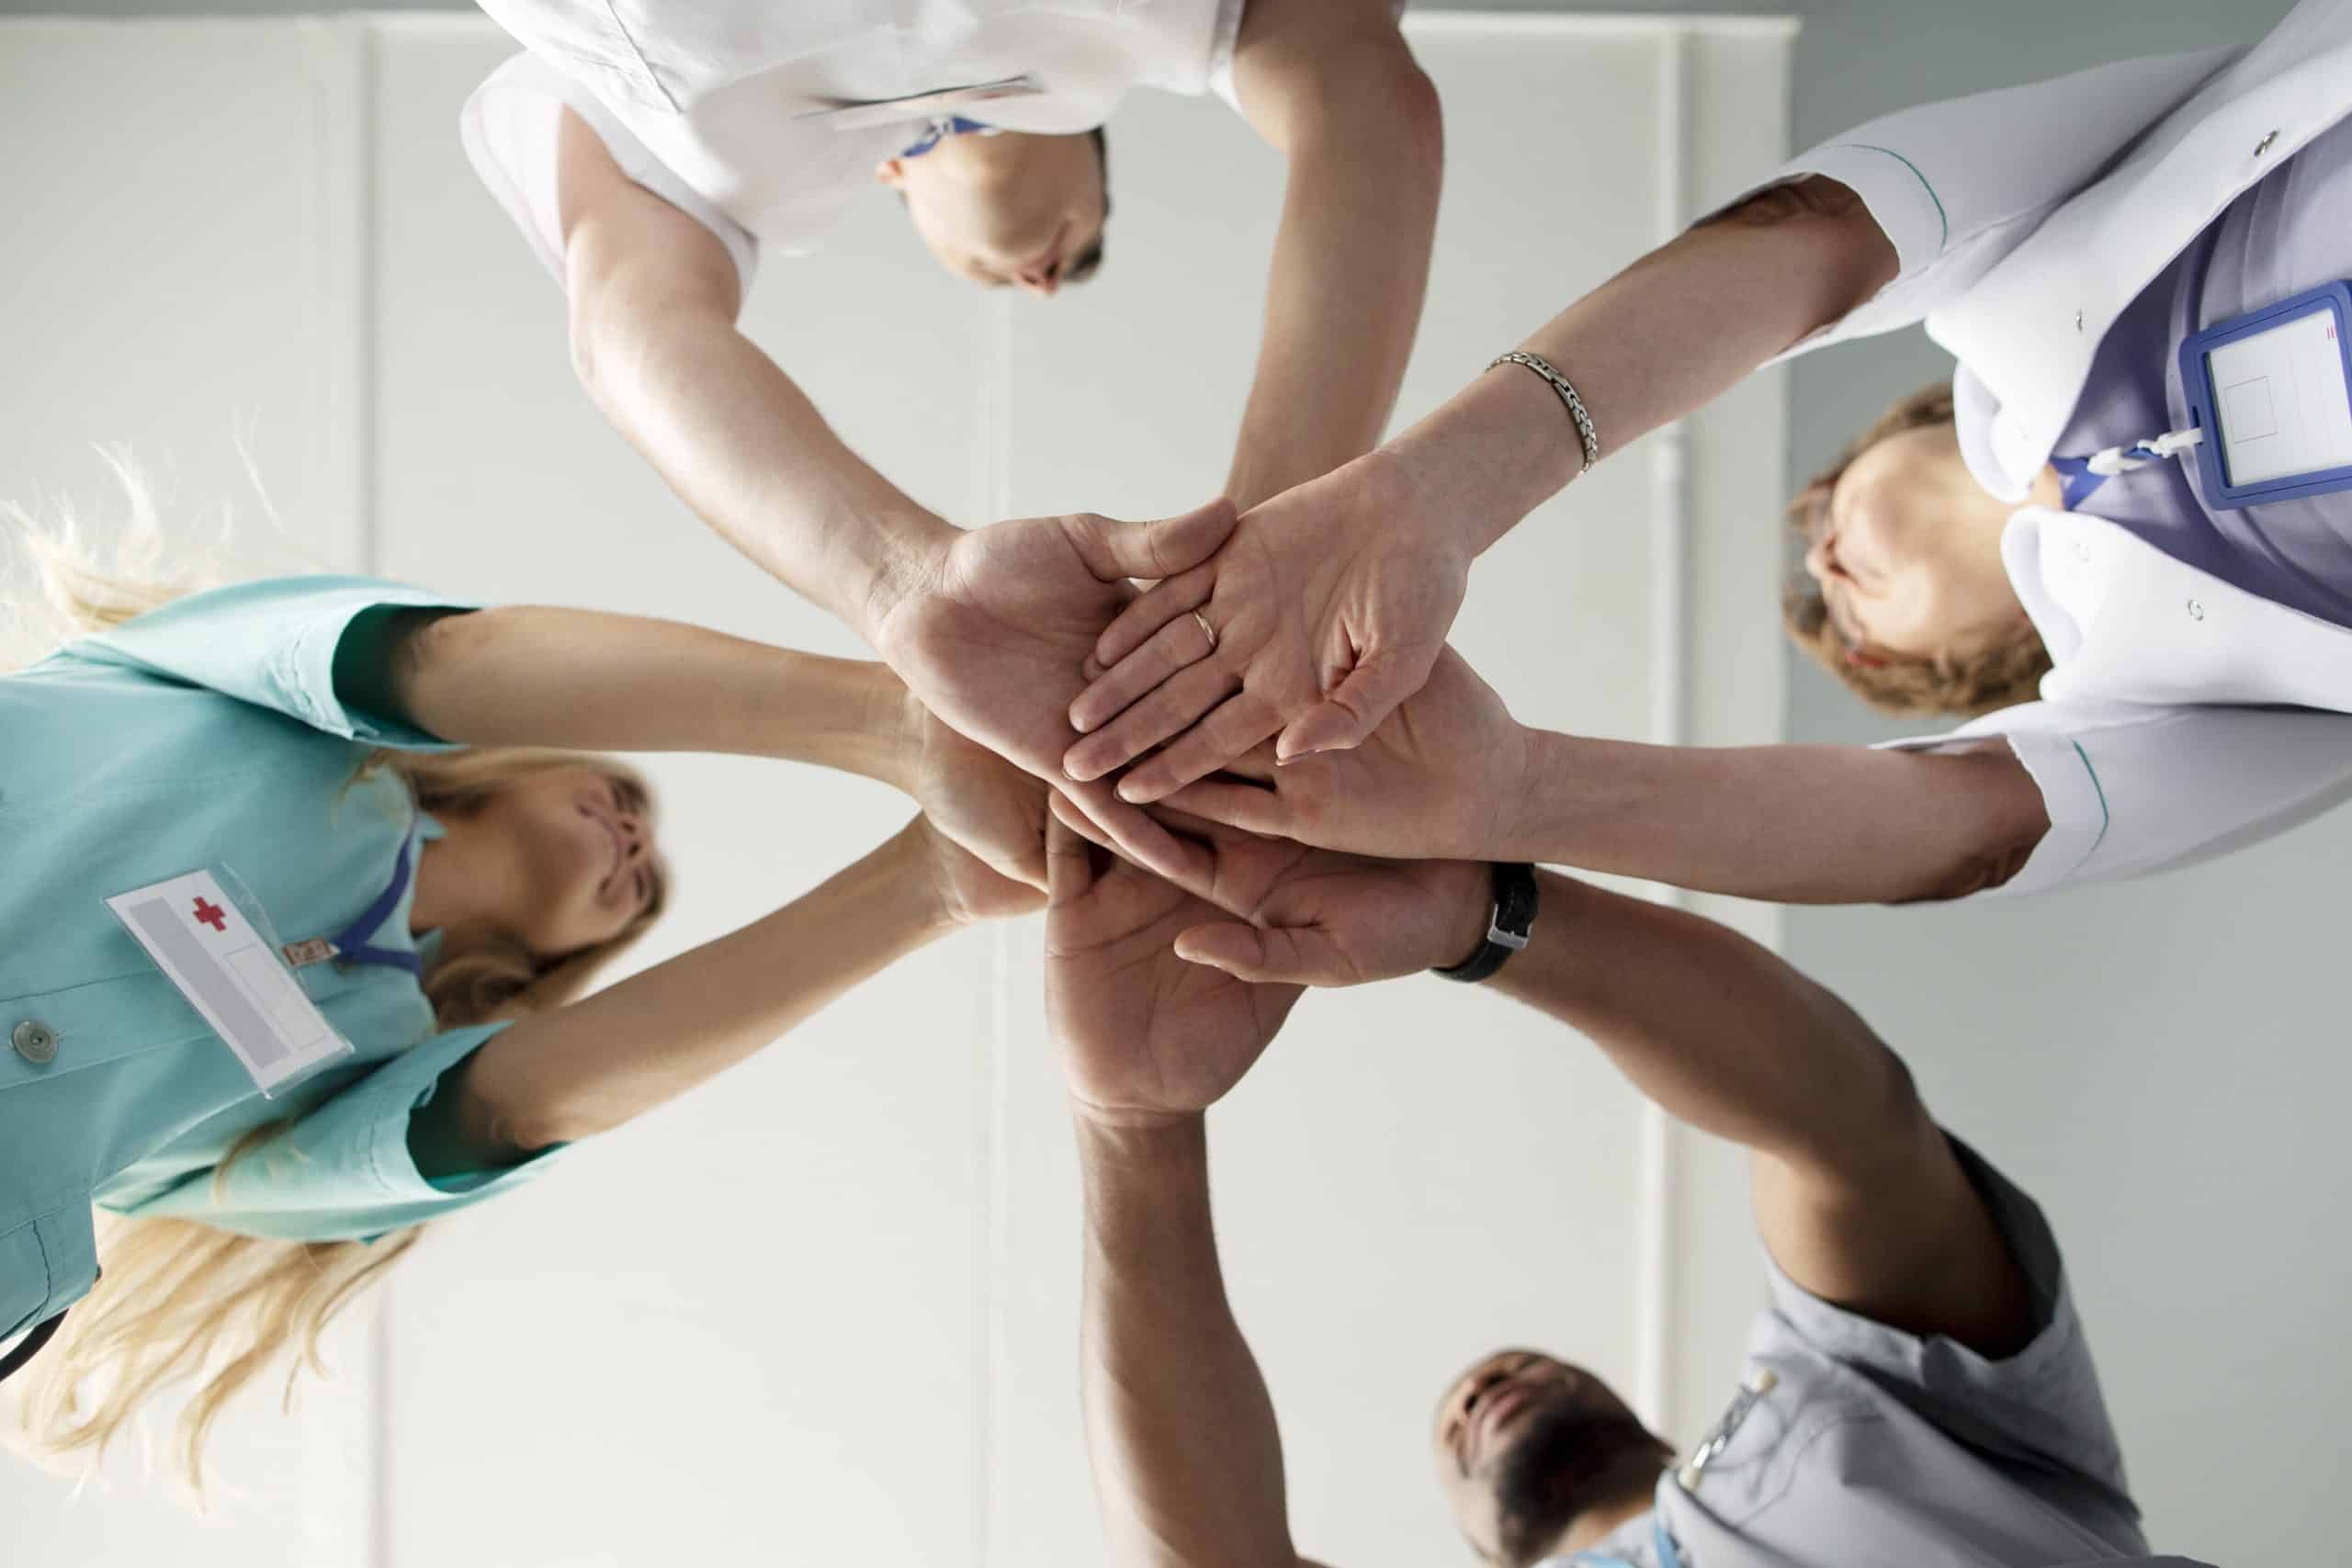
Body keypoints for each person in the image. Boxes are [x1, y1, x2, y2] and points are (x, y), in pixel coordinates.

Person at [1065, 0, 2352, 907]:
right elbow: (1967, 833)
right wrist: (1516, 791)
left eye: (1815, 532)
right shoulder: (2154, 685)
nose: (1828, 559)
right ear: (1964, 674)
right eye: (1853, 625)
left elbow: (1829, 236)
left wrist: (1436, 490)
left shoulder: (2010, 285)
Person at [0, 531, 1042, 1487]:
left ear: (572, 962)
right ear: (533, 751)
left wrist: (938, 883)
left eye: (643, 888)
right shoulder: (209, 690)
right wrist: (899, 723)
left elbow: (520, 1108)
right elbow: (438, 666)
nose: (635, 837)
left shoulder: (362, 1075)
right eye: (622, 797)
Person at [1041, 805, 2211, 1567]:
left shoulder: (1845, 1405)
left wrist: (1475, 916)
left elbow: (1847, 1133)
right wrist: (1132, 1121)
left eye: (1489, 1383)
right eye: (1465, 1417)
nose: (1484, 1385)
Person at [458, 0, 1442, 882]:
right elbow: (1362, 109)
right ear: (1083, 126)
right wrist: (1270, 560)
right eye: (1092, 238)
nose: (1049, 279)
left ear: (890, 170)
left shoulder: (718, 157)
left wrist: (900, 584)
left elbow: (630, 330)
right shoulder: (1161, 30)